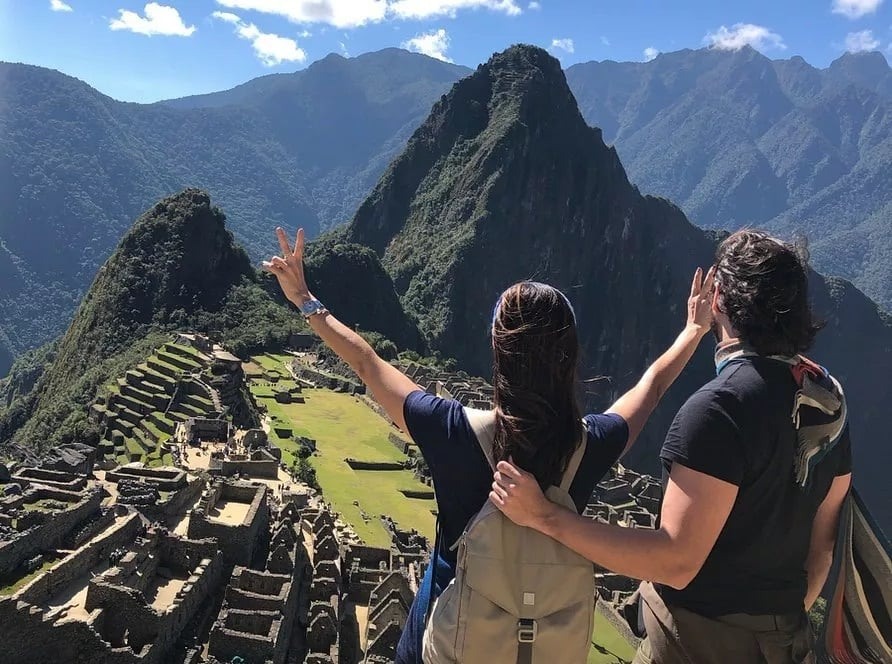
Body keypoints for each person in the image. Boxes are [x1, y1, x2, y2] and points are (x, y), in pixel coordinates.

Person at [263, 227, 715, 664]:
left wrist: (305, 299)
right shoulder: (590, 445)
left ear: (497, 352)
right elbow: (651, 388)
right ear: (569, 356)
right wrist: (694, 329)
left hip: (448, 644)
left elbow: (366, 363)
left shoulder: (452, 432)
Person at [491, 230, 852, 664]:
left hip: (697, 643)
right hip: (787, 643)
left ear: (718, 297)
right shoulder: (827, 401)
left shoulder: (720, 411)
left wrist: (546, 517)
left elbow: (676, 561)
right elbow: (824, 547)